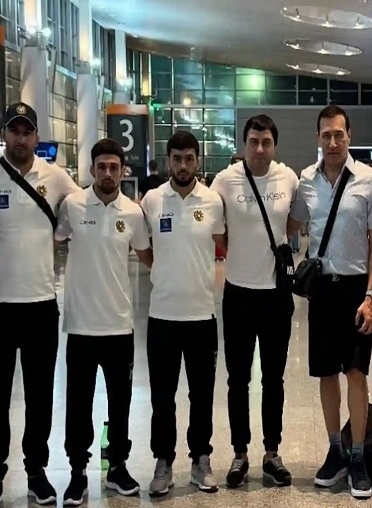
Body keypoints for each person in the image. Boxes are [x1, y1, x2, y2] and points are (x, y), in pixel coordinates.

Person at [0, 102, 80, 508]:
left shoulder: (55, 177)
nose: (21, 138)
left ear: (37, 136)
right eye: (14, 131)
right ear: (4, 134)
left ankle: (37, 471)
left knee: (39, 396)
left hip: (40, 306)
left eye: (27, 131)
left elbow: (85, 208)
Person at [289, 104, 372, 500]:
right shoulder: (305, 181)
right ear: (318, 138)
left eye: (339, 134)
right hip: (322, 291)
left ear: (349, 137)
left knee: (356, 372)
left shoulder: (368, 179)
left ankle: (358, 455)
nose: (333, 141)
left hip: (356, 289)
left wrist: (371, 296)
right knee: (326, 373)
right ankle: (335, 451)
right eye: (326, 135)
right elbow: (291, 223)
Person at [54, 139, 151, 505]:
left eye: (114, 167)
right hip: (81, 326)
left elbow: (148, 256)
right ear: (92, 169)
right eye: (101, 167)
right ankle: (78, 472)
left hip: (119, 326)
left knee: (120, 403)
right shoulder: (72, 205)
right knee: (78, 403)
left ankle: (117, 468)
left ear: (123, 170)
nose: (108, 173)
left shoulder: (134, 213)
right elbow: (54, 239)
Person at [210, 114, 298, 488]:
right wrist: (241, 253)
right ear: (244, 143)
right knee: (238, 379)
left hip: (276, 294)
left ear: (274, 145)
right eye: (253, 142)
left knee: (274, 379)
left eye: (266, 142)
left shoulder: (287, 178)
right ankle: (240, 453)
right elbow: (218, 231)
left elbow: (294, 221)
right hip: (238, 294)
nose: (259, 149)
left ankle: (272, 452)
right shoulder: (225, 180)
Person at [142, 131, 225, 496]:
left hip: (201, 316)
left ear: (197, 160)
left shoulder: (213, 201)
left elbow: (222, 243)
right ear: (168, 161)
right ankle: (163, 461)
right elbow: (143, 249)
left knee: (201, 395)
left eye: (189, 158)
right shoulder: (151, 200)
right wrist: (164, 272)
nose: (182, 165)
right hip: (162, 316)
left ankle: (200, 459)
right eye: (176, 158)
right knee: (162, 396)